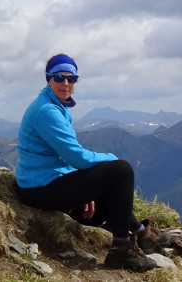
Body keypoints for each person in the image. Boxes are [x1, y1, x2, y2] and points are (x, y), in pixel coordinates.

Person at [14, 53, 168, 271]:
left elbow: (58, 156)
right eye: (58, 78)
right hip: (38, 188)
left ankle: (143, 234)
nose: (65, 83)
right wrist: (110, 158)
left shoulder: (54, 105)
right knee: (121, 170)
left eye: (71, 78)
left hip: (44, 182)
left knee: (107, 209)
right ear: (48, 79)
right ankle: (122, 250)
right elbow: (77, 157)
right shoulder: (47, 111)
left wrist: (87, 191)